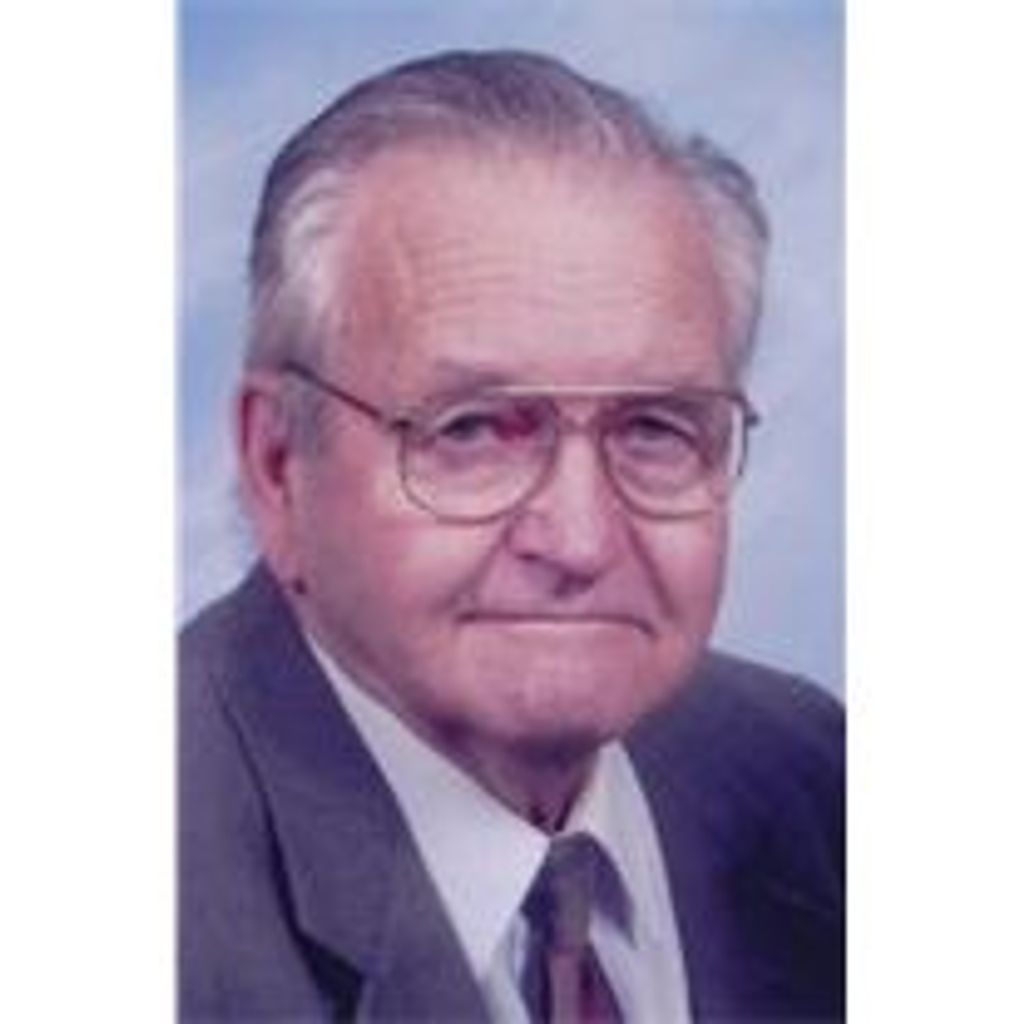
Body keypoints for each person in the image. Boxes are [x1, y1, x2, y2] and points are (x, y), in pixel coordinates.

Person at [179, 49, 844, 1023]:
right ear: (279, 465)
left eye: (654, 427)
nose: (579, 539)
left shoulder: (813, 778)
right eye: (474, 430)